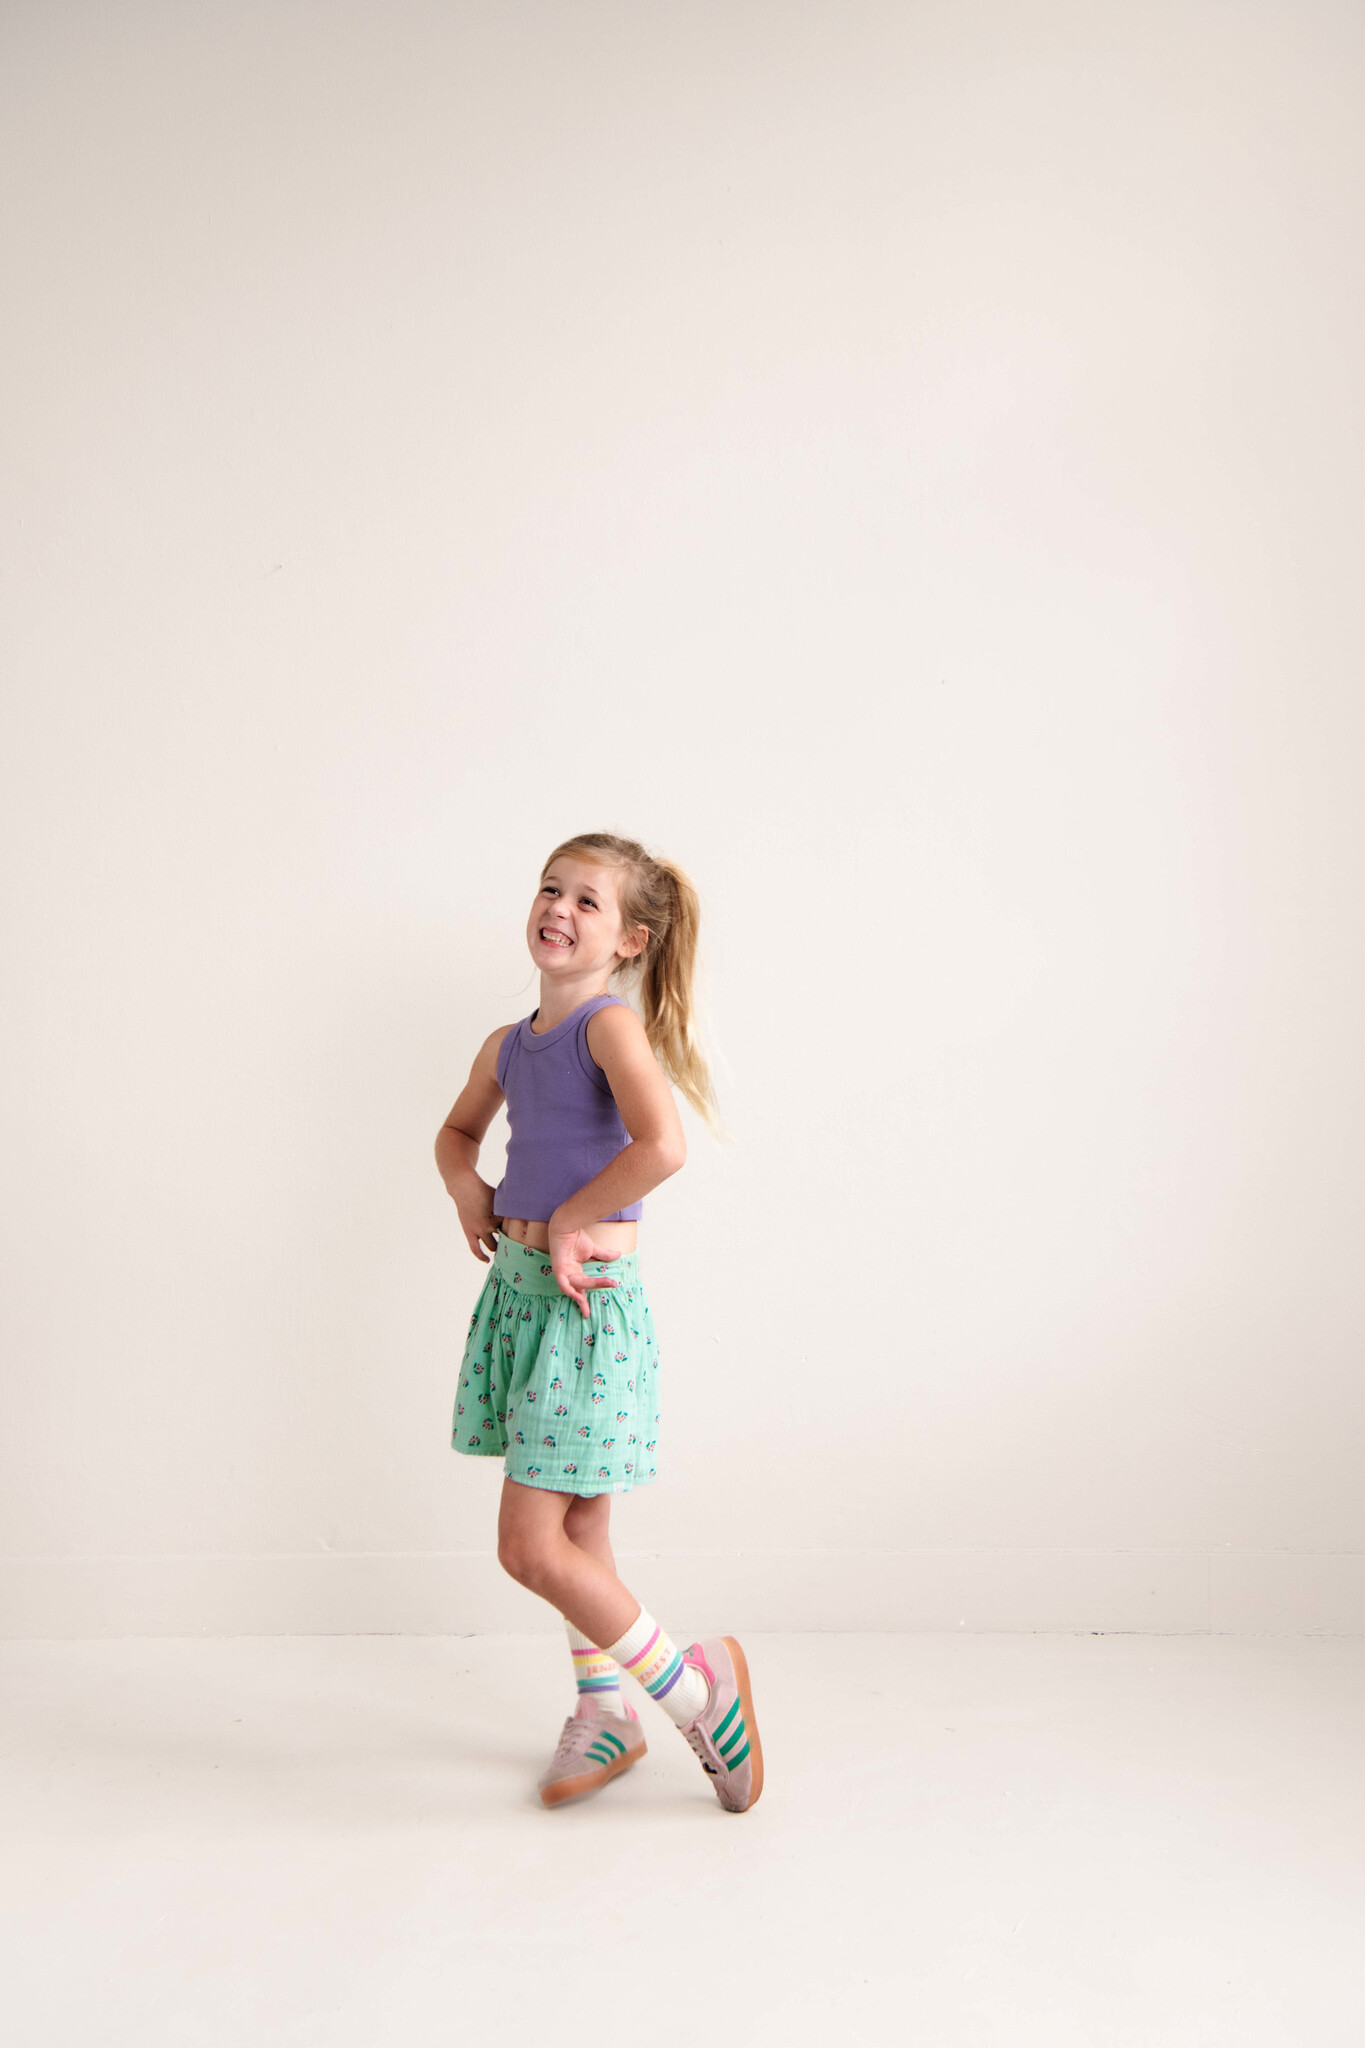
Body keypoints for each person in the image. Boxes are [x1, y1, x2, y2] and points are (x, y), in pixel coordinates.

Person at [434, 831, 763, 1813]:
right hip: (520, 1299)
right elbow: (455, 1132)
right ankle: (603, 1709)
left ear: (629, 940)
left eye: (587, 900)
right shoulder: (507, 1044)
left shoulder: (608, 1028)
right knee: (577, 1531)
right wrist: (467, 1186)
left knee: (530, 1549)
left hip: (585, 1313)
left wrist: (574, 1217)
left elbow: (662, 1146)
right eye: (551, 888)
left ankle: (698, 1693)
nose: (559, 909)